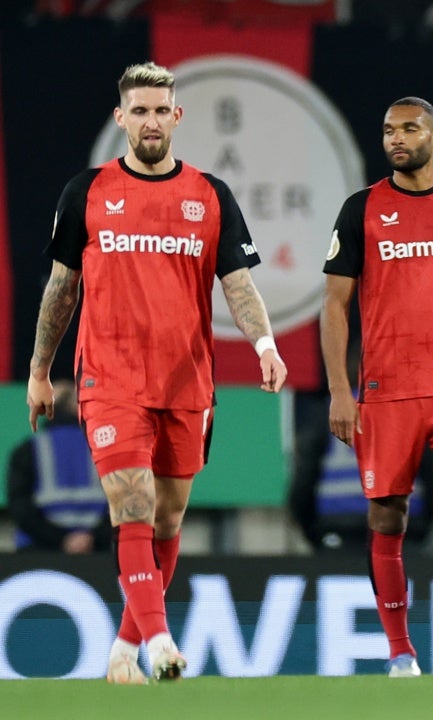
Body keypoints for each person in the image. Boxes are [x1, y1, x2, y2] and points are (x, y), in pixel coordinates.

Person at [26, 62, 287, 685]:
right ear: (121, 118)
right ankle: (162, 640)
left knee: (167, 519)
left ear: (177, 116)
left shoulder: (209, 194)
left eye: (158, 110)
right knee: (133, 502)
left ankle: (122, 651)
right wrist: (40, 370)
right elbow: (61, 291)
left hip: (186, 383)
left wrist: (267, 345)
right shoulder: (84, 193)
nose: (149, 121)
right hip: (111, 379)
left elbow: (239, 285)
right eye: (137, 111)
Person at [321, 96, 433, 678]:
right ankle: (400, 651)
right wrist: (340, 391)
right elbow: (334, 306)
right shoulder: (361, 210)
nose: (396, 138)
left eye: (409, 128)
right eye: (388, 130)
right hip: (388, 392)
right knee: (387, 518)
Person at [7, 379, 111, 553]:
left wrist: (61, 540)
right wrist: (93, 538)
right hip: (97, 553)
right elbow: (124, 501)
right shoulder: (104, 448)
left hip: (39, 552)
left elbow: (20, 507)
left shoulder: (28, 450)